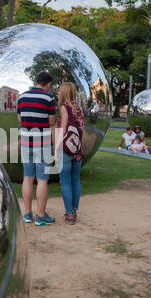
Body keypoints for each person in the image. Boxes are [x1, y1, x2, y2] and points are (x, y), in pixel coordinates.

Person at [17, 71, 56, 226]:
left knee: (27, 178)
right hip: (43, 143)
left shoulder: (22, 97)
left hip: (26, 143)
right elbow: (52, 121)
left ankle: (27, 214)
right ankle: (40, 216)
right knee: (42, 180)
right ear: (48, 84)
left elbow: (20, 118)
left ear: (36, 81)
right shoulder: (49, 98)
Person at [54, 82, 84, 225]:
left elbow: (62, 130)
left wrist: (56, 149)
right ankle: (74, 210)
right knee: (75, 180)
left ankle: (70, 214)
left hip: (65, 149)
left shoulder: (64, 107)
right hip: (78, 149)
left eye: (60, 90)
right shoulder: (79, 108)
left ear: (64, 92)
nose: (58, 92)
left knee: (65, 182)